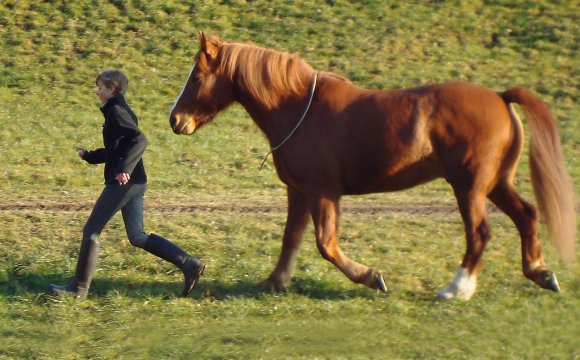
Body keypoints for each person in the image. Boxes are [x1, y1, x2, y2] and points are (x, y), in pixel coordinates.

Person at [47, 70, 205, 299]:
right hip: (136, 182)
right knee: (137, 236)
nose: (97, 91)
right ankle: (190, 264)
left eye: (100, 87)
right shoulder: (118, 109)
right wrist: (91, 156)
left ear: (112, 89)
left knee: (91, 230)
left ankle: (78, 289)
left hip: (124, 183)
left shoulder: (117, 111)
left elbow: (140, 140)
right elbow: (119, 148)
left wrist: (124, 170)